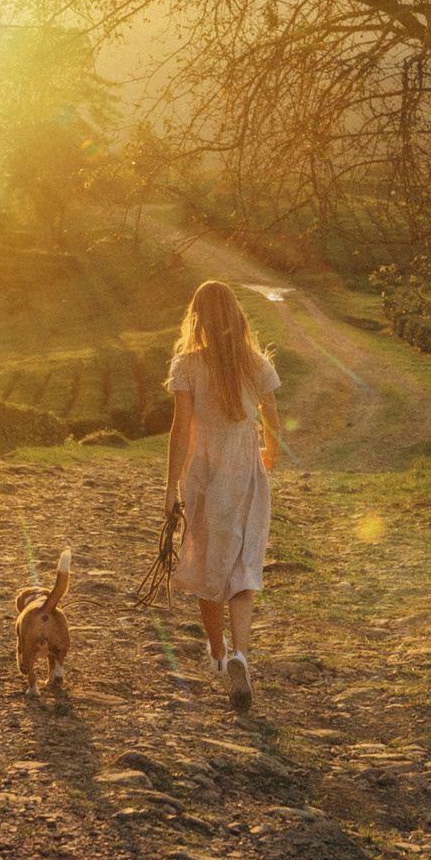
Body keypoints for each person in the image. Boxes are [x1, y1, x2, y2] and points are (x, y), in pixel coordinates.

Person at [163, 279, 283, 711]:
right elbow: (271, 416)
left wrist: (170, 488)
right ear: (236, 316)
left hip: (204, 471)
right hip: (245, 467)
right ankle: (241, 655)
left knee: (207, 558)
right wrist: (268, 448)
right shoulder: (255, 363)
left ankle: (216, 652)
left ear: (197, 318)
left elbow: (180, 429)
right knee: (244, 562)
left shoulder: (187, 364)